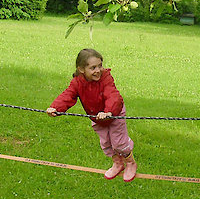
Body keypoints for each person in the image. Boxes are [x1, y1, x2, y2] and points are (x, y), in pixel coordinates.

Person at [46, 49, 137, 182]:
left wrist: (108, 112)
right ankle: (118, 163)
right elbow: (68, 95)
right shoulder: (77, 82)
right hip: (96, 117)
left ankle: (130, 163)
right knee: (106, 143)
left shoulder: (106, 77)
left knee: (118, 143)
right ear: (81, 69)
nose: (98, 70)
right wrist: (55, 107)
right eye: (93, 68)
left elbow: (112, 95)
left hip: (113, 113)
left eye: (100, 65)